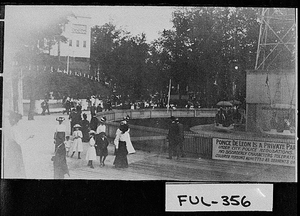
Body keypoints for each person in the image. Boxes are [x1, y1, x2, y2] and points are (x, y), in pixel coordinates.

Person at [3, 111, 33, 178]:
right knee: (16, 167)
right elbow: (19, 141)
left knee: (10, 166)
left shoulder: (9, 129)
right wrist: (28, 137)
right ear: (16, 121)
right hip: (15, 149)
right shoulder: (14, 129)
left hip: (10, 149)